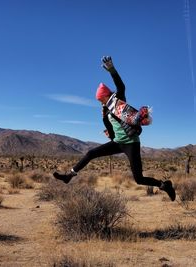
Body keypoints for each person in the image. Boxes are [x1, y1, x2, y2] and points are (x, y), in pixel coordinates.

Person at [53, 56, 176, 201]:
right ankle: (69, 176)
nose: (100, 102)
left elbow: (121, 86)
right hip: (118, 143)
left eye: (100, 99)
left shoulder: (118, 100)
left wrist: (112, 70)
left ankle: (164, 185)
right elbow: (111, 129)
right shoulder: (106, 110)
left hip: (131, 143)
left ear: (105, 96)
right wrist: (107, 127)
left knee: (138, 178)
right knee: (91, 153)